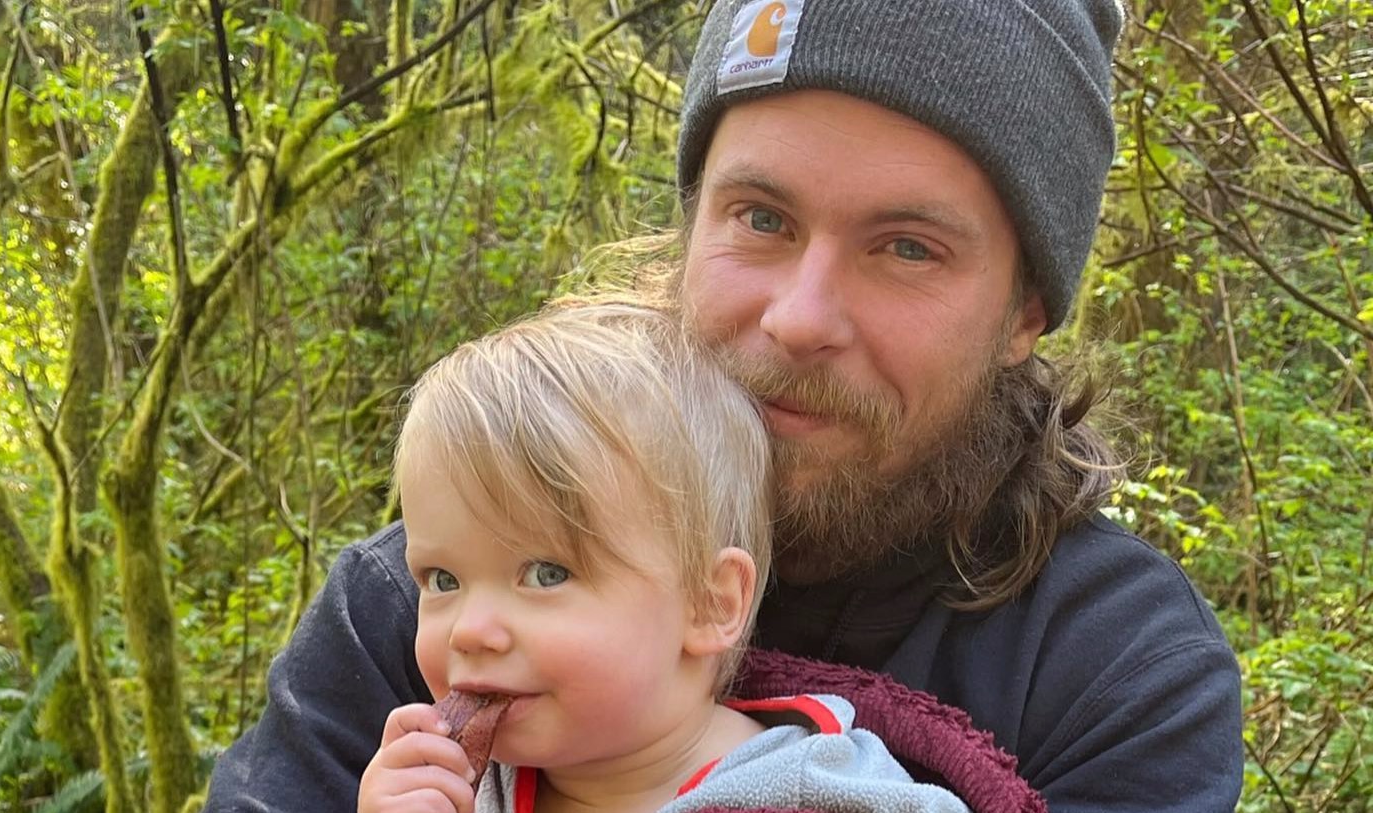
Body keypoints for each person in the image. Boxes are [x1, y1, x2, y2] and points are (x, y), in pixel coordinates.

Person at [205, 1, 1244, 811]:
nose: (800, 318)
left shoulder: (1113, 674)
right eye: (761, 217)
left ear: (1025, 312)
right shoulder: (430, 606)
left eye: (907, 247)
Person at [358, 302, 991, 813]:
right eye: (443, 579)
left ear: (711, 603)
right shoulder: (462, 791)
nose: (469, 631)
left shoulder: (820, 791)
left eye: (547, 574)